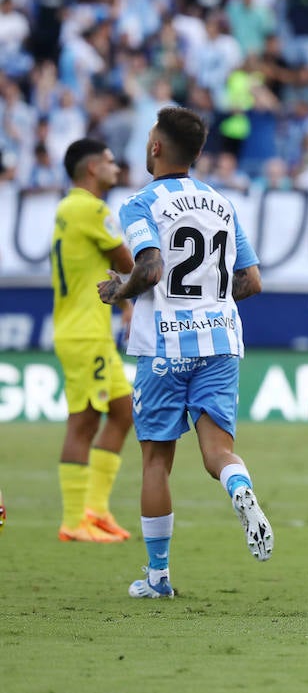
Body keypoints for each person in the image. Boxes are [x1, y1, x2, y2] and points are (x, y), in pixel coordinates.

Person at [97, 106, 272, 598]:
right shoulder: (221, 203)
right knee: (218, 452)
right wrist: (209, 301)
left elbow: (150, 270)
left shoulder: (139, 204)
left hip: (164, 348)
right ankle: (240, 488)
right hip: (220, 341)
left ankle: (157, 578)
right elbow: (251, 281)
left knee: (156, 462)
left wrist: (120, 290)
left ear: (155, 147)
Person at [52, 138, 135, 543]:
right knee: (84, 421)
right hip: (85, 333)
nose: (115, 166)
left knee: (123, 412)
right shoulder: (91, 208)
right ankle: (73, 521)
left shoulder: (68, 208)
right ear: (91, 169)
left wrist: (123, 307)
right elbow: (127, 264)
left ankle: (96, 510)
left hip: (87, 330)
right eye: (108, 160)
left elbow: (99, 269)